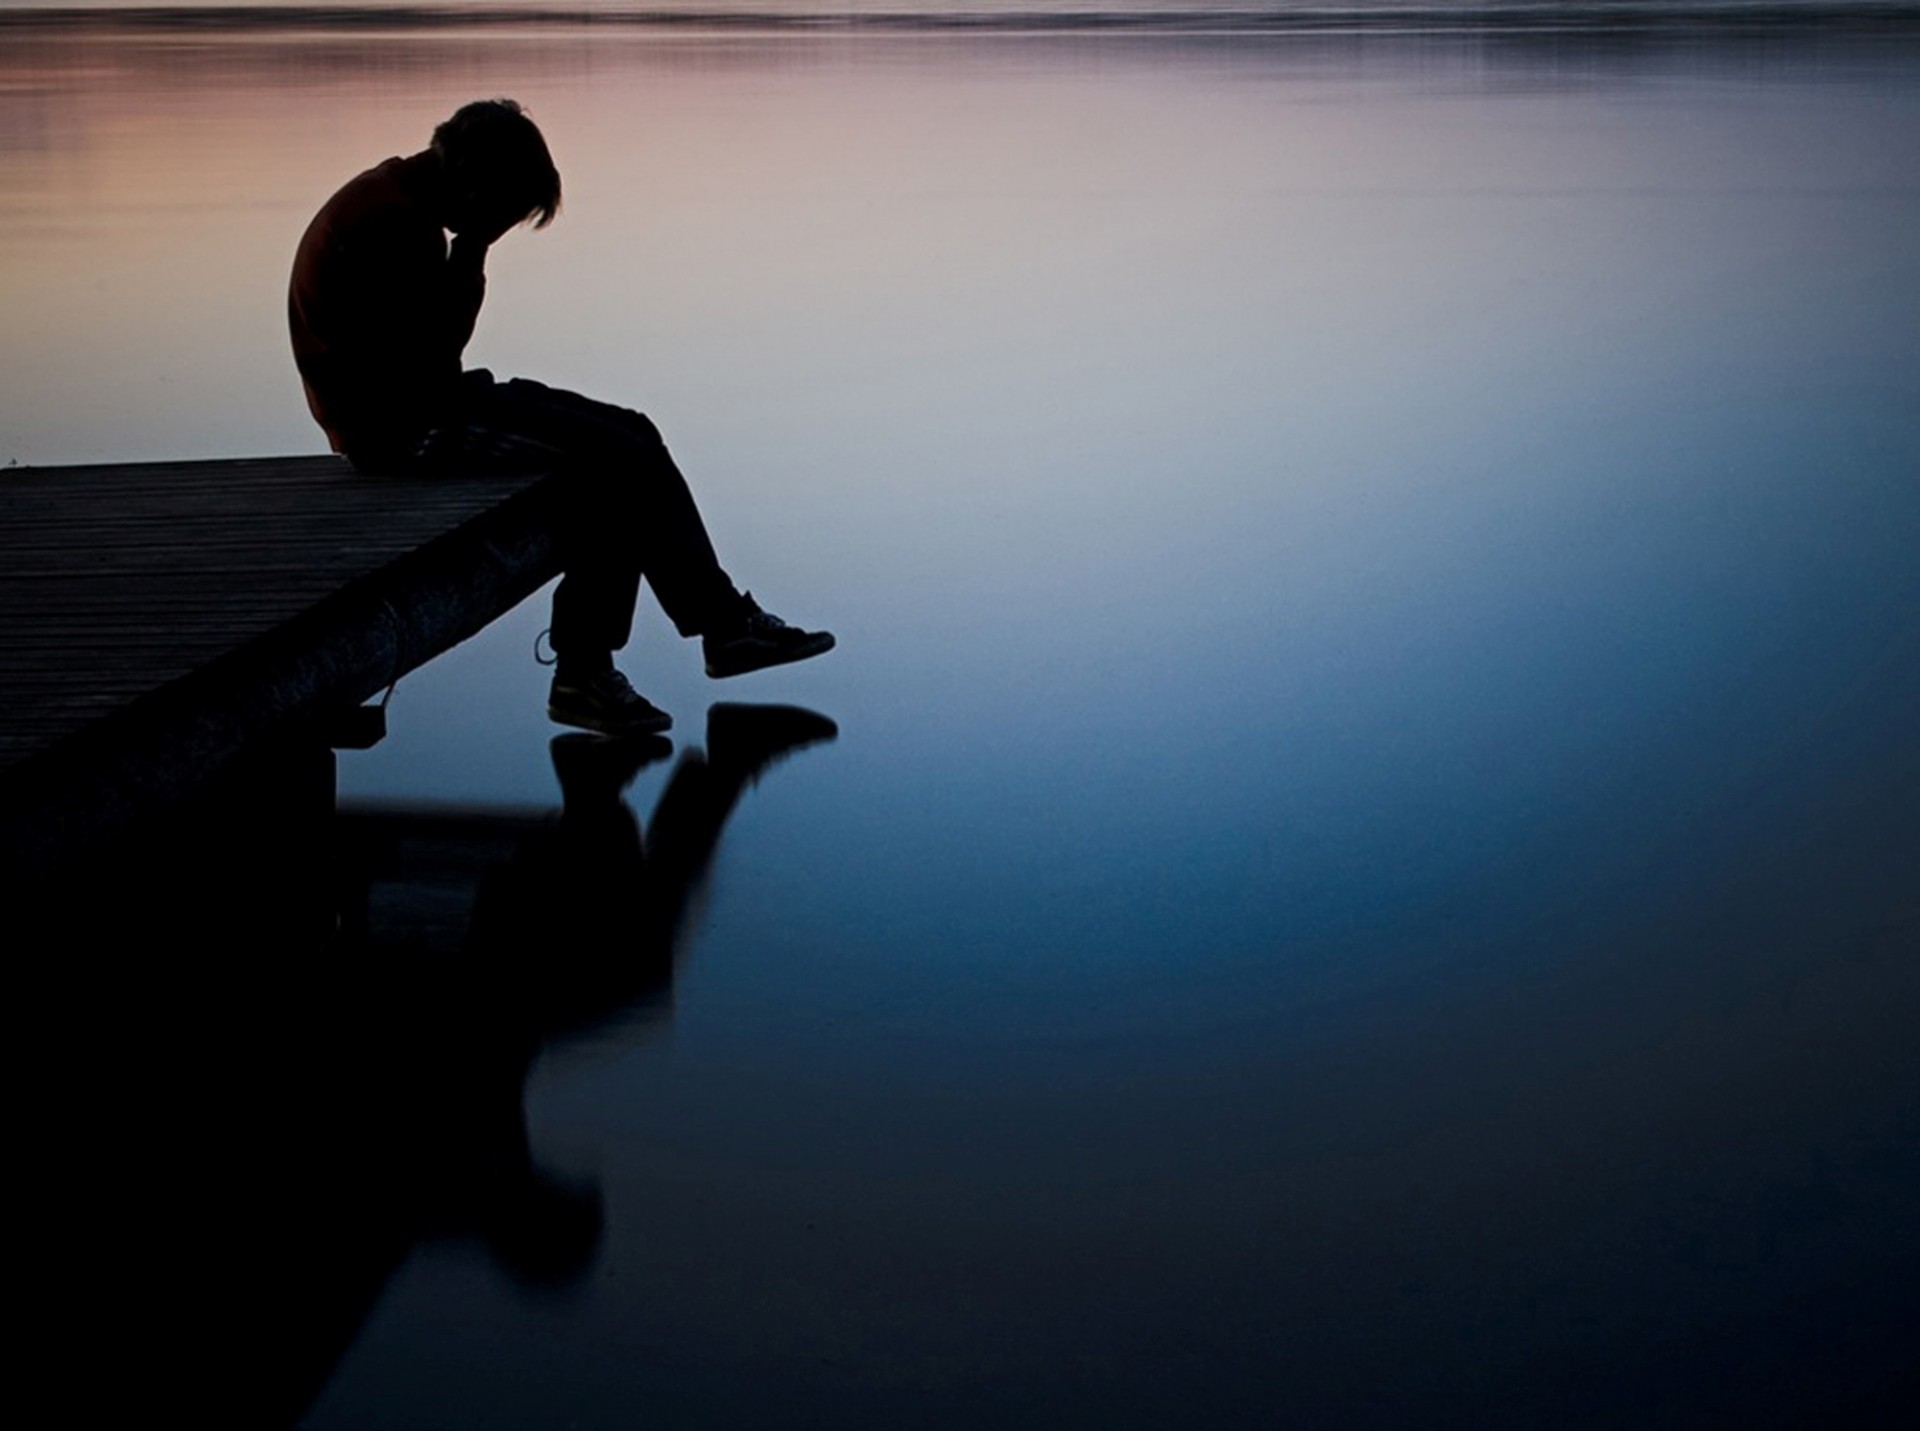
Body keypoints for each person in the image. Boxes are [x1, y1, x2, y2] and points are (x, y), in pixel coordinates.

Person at [288, 98, 833, 735]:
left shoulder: (397, 200)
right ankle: (619, 662)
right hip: (398, 428)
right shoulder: (395, 224)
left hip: (422, 397)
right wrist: (471, 254)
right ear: (474, 185)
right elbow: (434, 357)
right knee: (613, 463)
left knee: (633, 432)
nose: (498, 227)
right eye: (502, 214)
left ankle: (688, 640)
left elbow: (430, 357)